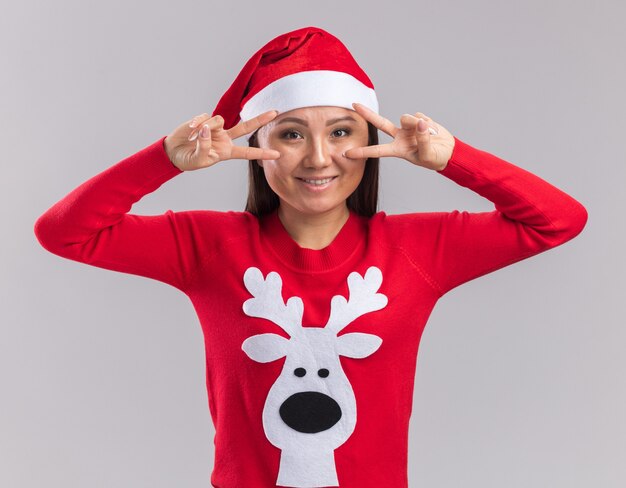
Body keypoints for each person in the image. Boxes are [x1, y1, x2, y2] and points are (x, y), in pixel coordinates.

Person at [34, 26, 588, 488]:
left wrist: (452, 159)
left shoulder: (418, 251)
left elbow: (560, 219)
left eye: (342, 132)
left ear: (368, 142)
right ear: (258, 149)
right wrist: (164, 161)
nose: (320, 158)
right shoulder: (208, 247)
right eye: (293, 134)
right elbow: (65, 234)